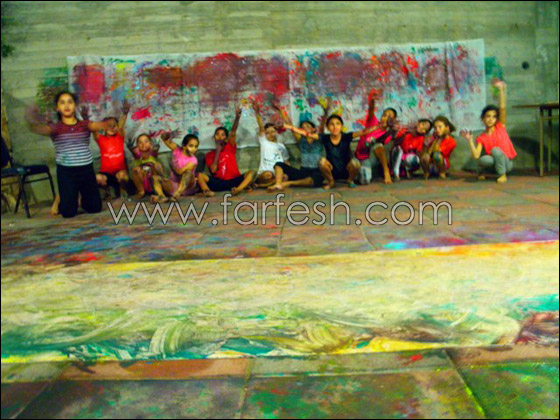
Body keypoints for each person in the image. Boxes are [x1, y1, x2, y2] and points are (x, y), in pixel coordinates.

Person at [25, 91, 110, 218]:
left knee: (95, 208)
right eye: (62, 103)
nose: (66, 105)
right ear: (57, 108)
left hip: (86, 170)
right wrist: (32, 117)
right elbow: (36, 128)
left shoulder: (85, 125)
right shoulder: (55, 128)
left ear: (75, 106)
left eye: (70, 102)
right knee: (68, 213)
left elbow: (102, 125)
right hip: (66, 172)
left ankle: (81, 199)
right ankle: (61, 198)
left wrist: (108, 118)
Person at [460, 81, 516, 183]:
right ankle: (481, 172)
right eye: (488, 116)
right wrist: (470, 140)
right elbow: (476, 155)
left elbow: (502, 108)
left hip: (506, 163)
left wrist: (500, 90)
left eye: (494, 117)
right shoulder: (481, 137)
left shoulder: (500, 127)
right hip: (494, 165)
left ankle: (502, 174)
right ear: (483, 118)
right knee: (485, 159)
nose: (491, 119)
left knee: (495, 150)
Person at [267, 98, 328, 191]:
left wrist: (325, 111)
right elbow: (289, 124)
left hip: (316, 171)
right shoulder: (301, 139)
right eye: (303, 127)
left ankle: (289, 183)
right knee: (278, 164)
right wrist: (280, 109)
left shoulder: (319, 138)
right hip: (303, 171)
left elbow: (322, 126)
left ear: (314, 129)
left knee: (317, 179)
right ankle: (278, 184)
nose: (305, 128)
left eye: (308, 127)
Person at [197, 105, 255, 196]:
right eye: (217, 135)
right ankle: (207, 191)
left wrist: (237, 118)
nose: (220, 137)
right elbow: (213, 170)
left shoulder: (230, 147)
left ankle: (238, 190)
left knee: (251, 172)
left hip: (234, 181)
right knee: (200, 175)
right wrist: (218, 150)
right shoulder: (209, 155)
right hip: (219, 182)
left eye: (223, 135)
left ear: (226, 138)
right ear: (214, 138)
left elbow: (233, 132)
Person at [161, 131, 199, 199]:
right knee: (156, 179)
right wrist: (168, 136)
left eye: (196, 147)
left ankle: (177, 193)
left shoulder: (193, 160)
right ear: (184, 146)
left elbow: (180, 172)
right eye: (191, 146)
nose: (194, 149)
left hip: (187, 188)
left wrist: (172, 165)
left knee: (188, 173)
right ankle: (161, 197)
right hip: (174, 185)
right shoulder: (177, 150)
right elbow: (163, 138)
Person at [420, 115, 457, 180]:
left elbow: (437, 151)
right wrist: (426, 145)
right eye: (435, 128)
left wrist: (438, 139)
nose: (437, 130)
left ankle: (442, 173)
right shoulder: (433, 139)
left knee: (436, 155)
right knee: (424, 156)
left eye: (440, 127)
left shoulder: (451, 141)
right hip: (431, 165)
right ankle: (426, 173)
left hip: (442, 164)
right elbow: (427, 153)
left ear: (447, 128)